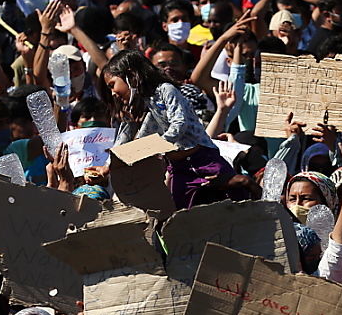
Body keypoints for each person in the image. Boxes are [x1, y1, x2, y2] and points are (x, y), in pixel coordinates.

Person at [101, 50, 243, 209]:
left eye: (112, 85)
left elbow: (179, 124)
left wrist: (154, 147)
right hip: (178, 168)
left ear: (131, 76)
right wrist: (107, 166)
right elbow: (124, 138)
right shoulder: (141, 104)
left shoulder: (165, 90)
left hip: (204, 158)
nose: (113, 93)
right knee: (180, 212)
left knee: (235, 197)